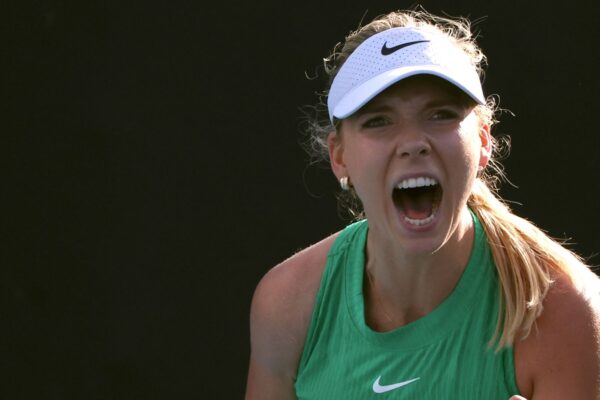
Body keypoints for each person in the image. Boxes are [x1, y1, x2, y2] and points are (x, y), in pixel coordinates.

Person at [245, 8, 600, 400]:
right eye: (379, 121)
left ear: (483, 141)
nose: (413, 141)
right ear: (339, 155)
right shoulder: (286, 305)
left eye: (440, 114)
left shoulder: (566, 312)